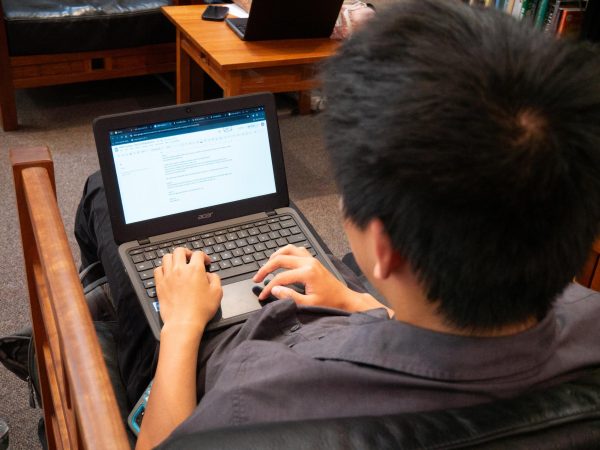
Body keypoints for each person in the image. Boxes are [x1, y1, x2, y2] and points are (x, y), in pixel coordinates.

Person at [74, 0, 600, 448]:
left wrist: (184, 326)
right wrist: (361, 302)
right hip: (347, 315)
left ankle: (98, 300)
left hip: (212, 352)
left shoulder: (255, 405)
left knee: (103, 190)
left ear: (386, 248)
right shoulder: (590, 316)